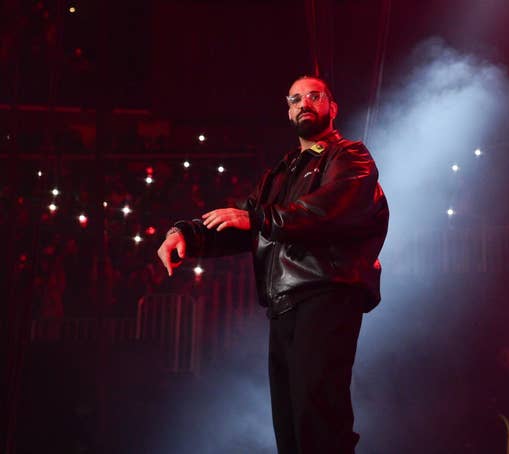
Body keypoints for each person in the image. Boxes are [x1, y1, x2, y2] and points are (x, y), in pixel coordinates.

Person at [157, 75, 389, 454]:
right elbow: (242, 221)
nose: (304, 103)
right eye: (295, 98)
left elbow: (330, 209)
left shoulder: (349, 156)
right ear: (287, 110)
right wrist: (186, 233)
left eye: (314, 96)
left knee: (319, 415)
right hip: (283, 304)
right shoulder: (280, 175)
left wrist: (261, 219)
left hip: (327, 290)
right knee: (289, 422)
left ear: (333, 107)